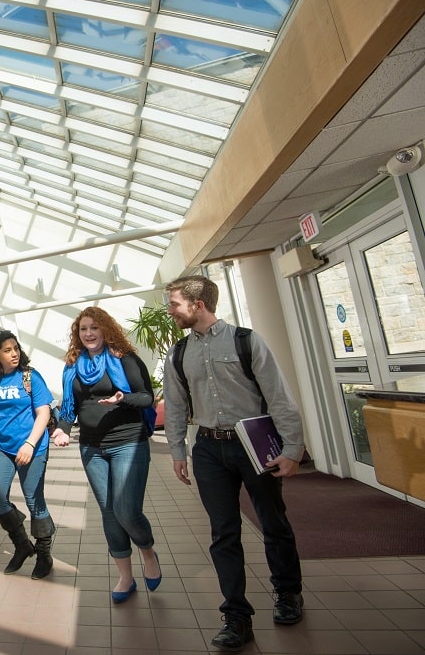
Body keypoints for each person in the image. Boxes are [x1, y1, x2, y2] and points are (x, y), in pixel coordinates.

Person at [164, 276, 304, 652]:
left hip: (254, 446)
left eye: (174, 303)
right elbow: (176, 405)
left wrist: (292, 448)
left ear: (197, 304)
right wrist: (178, 451)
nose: (169, 310)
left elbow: (278, 395)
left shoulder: (246, 341)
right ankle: (237, 617)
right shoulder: (178, 353)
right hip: (209, 448)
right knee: (223, 534)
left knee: (273, 521)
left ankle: (288, 592)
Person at [54, 306, 162, 603]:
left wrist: (122, 398)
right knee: (110, 512)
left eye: (94, 328)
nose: (88, 334)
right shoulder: (73, 365)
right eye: (83, 329)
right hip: (91, 446)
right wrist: (63, 429)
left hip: (128, 441)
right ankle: (125, 577)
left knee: (126, 509)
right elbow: (69, 408)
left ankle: (148, 551)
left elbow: (146, 396)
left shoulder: (123, 359)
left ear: (105, 329)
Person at [0, 329, 65, 579]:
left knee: (34, 500)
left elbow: (44, 413)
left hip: (32, 446)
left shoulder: (30, 377)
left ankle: (44, 555)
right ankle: (23, 545)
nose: (14, 354)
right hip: (2, 447)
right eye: (7, 350)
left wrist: (30, 444)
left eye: (15, 348)